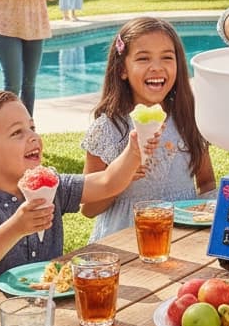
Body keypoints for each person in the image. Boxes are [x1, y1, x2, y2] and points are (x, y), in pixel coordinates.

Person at [0, 89, 152, 295]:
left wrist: (133, 150)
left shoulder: (50, 186)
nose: (34, 136)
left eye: (32, 127)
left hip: (44, 308)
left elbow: (107, 183)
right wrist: (16, 228)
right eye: (17, 132)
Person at [82, 17, 215, 241]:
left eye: (167, 57)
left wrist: (209, 212)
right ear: (122, 69)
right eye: (143, 58)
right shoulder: (107, 129)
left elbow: (206, 182)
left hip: (182, 239)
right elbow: (88, 208)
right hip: (124, 241)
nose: (157, 67)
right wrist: (120, 178)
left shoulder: (189, 120)